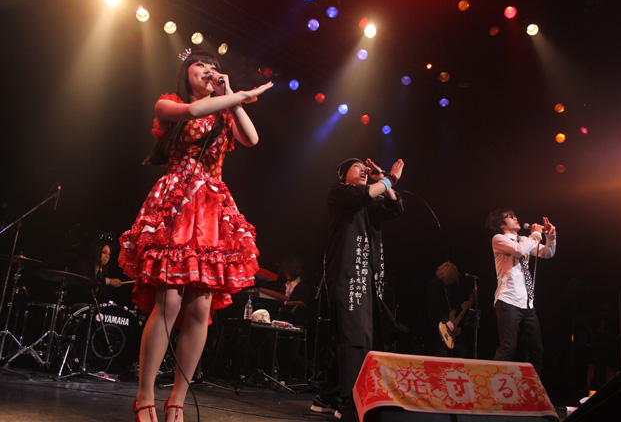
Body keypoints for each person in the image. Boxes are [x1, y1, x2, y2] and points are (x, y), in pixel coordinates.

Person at [118, 49, 273, 422]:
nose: (208, 71)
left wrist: (233, 95)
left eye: (214, 67)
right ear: (185, 72)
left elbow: (251, 138)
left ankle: (177, 401)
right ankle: (144, 397)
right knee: (169, 302)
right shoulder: (168, 104)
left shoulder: (225, 110)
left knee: (201, 308)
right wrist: (239, 95)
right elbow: (191, 112)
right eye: (200, 65)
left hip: (211, 209)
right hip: (178, 202)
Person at [311, 157, 404, 420]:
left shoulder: (369, 201)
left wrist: (383, 181)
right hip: (345, 274)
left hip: (365, 276)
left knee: (360, 336)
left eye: (365, 168)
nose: (363, 170)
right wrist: (390, 179)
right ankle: (349, 401)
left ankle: (327, 396)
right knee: (354, 336)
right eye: (357, 167)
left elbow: (395, 209)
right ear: (343, 175)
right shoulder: (339, 191)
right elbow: (365, 194)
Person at [485, 209, 556, 375]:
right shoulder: (499, 239)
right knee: (507, 348)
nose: (515, 218)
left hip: (527, 303)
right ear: (501, 224)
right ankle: (490, 383)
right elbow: (519, 250)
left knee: (536, 350)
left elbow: (547, 253)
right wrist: (536, 233)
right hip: (508, 300)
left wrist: (550, 236)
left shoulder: (524, 240)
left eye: (515, 215)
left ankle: (530, 386)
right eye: (510, 216)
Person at [426, 261, 472, 358]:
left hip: (445, 323)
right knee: (442, 352)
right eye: (450, 278)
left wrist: (460, 307)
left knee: (459, 350)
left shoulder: (447, 288)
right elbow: (435, 306)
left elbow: (449, 307)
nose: (451, 281)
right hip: (437, 324)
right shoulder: (434, 286)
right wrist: (446, 320)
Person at [71, 237, 123, 305]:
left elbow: (102, 295)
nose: (107, 256)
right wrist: (109, 281)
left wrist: (109, 303)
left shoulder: (103, 271)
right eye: (104, 252)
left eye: (109, 254)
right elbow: (87, 282)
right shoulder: (83, 265)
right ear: (96, 252)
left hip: (92, 306)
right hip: (79, 303)